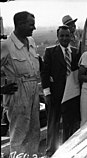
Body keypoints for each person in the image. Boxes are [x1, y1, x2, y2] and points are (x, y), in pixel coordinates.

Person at [1, 11, 40, 157]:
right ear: (20, 24)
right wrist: (1, 89)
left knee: (34, 132)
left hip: (33, 89)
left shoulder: (31, 42)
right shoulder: (6, 45)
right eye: (31, 24)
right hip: (18, 91)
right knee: (19, 133)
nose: (34, 28)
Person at [40, 25, 81, 157]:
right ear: (58, 37)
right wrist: (47, 93)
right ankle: (51, 151)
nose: (64, 38)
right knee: (53, 123)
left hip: (71, 94)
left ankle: (68, 150)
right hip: (55, 94)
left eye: (67, 35)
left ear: (71, 36)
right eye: (62, 35)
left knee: (69, 123)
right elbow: (45, 73)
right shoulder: (50, 51)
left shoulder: (75, 52)